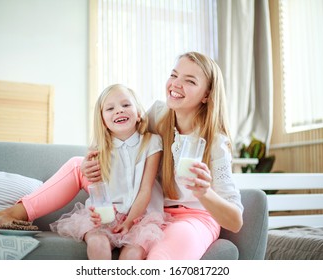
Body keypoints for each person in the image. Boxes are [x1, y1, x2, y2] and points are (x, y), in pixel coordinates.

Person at [0, 84, 166, 260]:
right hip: (110, 214)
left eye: (126, 105)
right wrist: (98, 214)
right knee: (97, 243)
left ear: (139, 112)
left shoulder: (151, 142)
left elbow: (145, 189)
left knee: (132, 255)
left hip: (140, 218)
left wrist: (129, 222)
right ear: (102, 120)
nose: (119, 110)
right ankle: (5, 216)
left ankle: (9, 215)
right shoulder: (99, 149)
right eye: (110, 108)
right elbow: (99, 192)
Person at [82, 52, 244, 260]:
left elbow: (235, 222)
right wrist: (87, 164)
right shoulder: (157, 115)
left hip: (194, 218)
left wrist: (205, 193)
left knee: (159, 260)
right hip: (155, 216)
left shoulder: (215, 143)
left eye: (190, 81)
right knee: (74, 164)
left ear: (207, 95)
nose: (176, 84)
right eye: (174, 75)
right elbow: (118, 145)